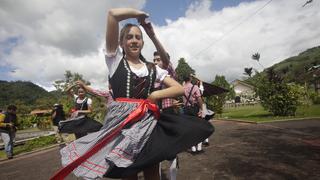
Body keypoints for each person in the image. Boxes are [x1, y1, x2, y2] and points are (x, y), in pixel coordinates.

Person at [53, 8, 213, 180]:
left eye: (138, 37)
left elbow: (179, 89)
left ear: (142, 43)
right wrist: (139, 15)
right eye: (129, 37)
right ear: (121, 43)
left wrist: (154, 96)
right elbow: (112, 15)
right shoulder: (115, 61)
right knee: (128, 171)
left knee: (152, 169)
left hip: (147, 123)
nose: (134, 40)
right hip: (122, 124)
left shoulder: (153, 68)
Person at [143, 21, 180, 180]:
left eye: (159, 59)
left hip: (168, 114)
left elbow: (165, 61)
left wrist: (152, 35)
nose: (157, 62)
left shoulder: (168, 71)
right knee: (154, 153)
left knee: (171, 152)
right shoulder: (151, 75)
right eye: (155, 60)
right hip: (153, 116)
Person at [182, 75, 205, 153]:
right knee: (199, 127)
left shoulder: (182, 87)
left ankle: (193, 148)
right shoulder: (194, 87)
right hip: (194, 108)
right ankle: (199, 147)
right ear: (190, 79)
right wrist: (202, 108)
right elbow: (199, 98)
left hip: (185, 109)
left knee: (190, 128)